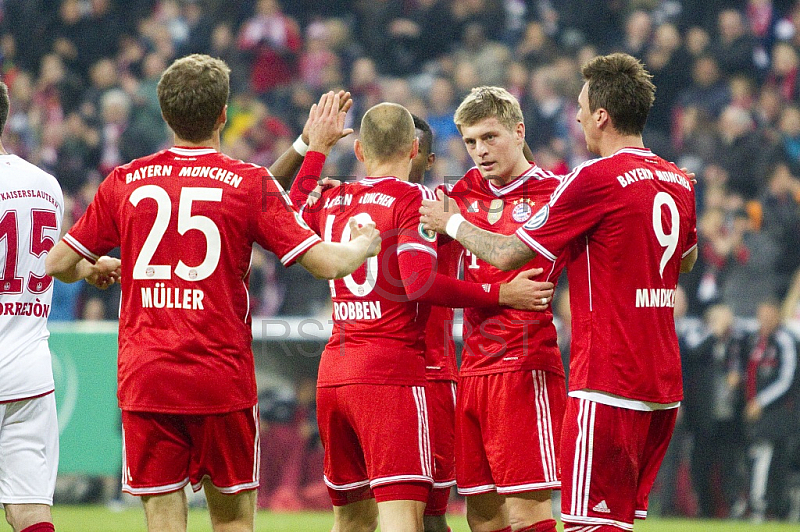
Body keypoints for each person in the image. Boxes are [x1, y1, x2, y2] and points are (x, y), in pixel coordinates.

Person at [45, 54, 380, 532]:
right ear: (224, 114)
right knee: (232, 523)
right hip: (218, 379)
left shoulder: (125, 180)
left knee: (162, 519)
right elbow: (322, 257)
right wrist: (364, 243)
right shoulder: (247, 184)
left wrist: (91, 265)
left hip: (148, 378)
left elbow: (57, 265)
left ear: (164, 114)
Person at [420, 53, 698, 531]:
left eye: (490, 137)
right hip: (640, 375)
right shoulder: (675, 177)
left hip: (562, 369)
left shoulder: (573, 184)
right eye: (471, 142)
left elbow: (509, 254)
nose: (481, 150)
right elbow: (685, 259)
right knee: (487, 519)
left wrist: (453, 224)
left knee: (578, 521)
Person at [289, 96, 549, 532]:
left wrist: (314, 149)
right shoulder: (421, 200)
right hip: (395, 374)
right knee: (407, 517)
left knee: (351, 520)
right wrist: (499, 293)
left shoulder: (333, 198)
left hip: (335, 369)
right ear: (414, 151)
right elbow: (420, 284)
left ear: (357, 150)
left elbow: (290, 211)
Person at [0, 80, 117, 532]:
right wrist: (86, 268)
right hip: (30, 373)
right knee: (31, 512)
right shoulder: (44, 184)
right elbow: (54, 263)